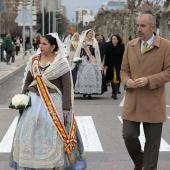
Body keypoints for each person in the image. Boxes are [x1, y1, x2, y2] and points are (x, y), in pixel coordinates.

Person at [9, 33, 87, 170]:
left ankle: (52, 163)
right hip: (33, 102)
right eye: (40, 43)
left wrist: (66, 107)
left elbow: (67, 86)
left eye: (44, 44)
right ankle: (31, 162)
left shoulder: (61, 63)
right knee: (30, 131)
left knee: (51, 133)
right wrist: (22, 98)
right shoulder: (34, 60)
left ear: (53, 47)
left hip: (53, 103)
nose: (41, 46)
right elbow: (28, 80)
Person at [120, 13, 170, 170]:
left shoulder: (166, 45)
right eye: (137, 25)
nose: (138, 29)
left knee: (152, 142)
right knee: (128, 135)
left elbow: (169, 71)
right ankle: (140, 161)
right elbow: (124, 70)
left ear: (153, 27)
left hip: (153, 102)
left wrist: (149, 80)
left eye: (142, 26)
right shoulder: (131, 45)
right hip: (132, 101)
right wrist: (126, 80)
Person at [73, 29, 102, 99]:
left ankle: (90, 92)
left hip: (92, 60)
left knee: (92, 75)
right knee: (83, 75)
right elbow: (79, 52)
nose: (90, 35)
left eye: (92, 34)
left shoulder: (94, 42)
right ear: (86, 34)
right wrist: (77, 60)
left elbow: (97, 53)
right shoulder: (83, 42)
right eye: (89, 33)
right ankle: (83, 90)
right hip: (84, 60)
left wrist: (98, 62)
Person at [105, 34, 124, 99]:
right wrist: (106, 65)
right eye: (112, 39)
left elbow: (123, 56)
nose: (113, 40)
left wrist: (123, 64)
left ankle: (115, 93)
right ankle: (113, 91)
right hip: (110, 64)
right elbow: (106, 56)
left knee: (117, 78)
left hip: (118, 64)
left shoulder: (121, 46)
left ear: (118, 40)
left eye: (114, 39)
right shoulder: (108, 46)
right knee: (112, 79)